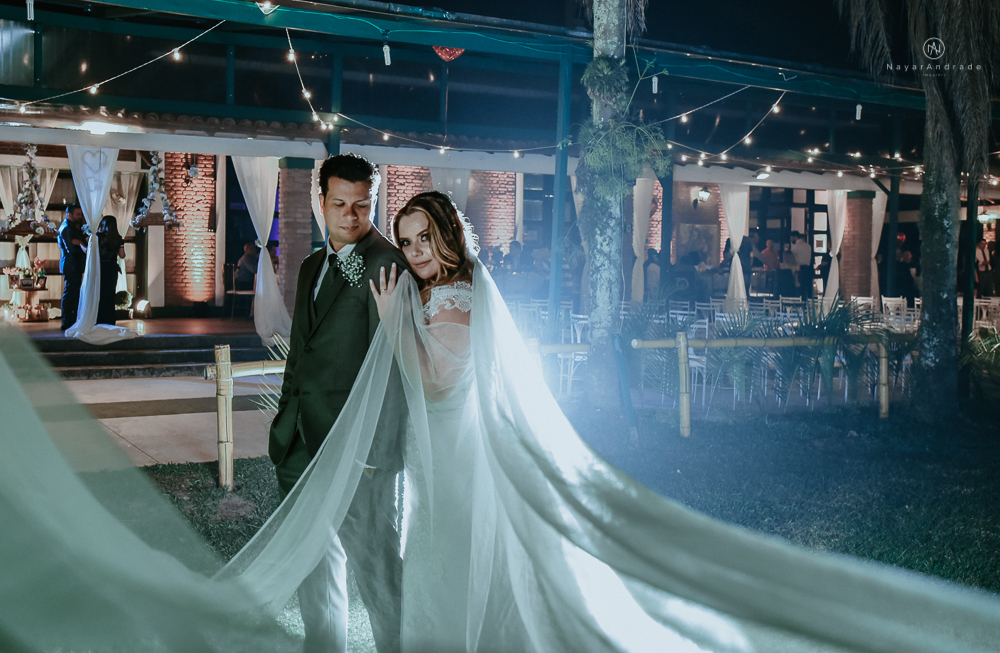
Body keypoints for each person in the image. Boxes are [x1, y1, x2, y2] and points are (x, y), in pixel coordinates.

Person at [2, 192, 1000, 652]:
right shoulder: (436, 291)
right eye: (407, 239)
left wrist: (397, 331)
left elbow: (441, 386)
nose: (416, 250)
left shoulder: (460, 299)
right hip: (441, 456)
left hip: (464, 452)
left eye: (424, 237)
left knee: (456, 552)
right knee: (445, 550)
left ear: (449, 239)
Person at [268, 153, 409, 653]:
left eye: (362, 205)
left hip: (359, 454)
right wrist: (285, 420)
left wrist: (376, 453)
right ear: (320, 202)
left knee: (378, 574)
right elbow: (300, 350)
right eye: (341, 204)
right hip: (301, 444)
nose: (351, 216)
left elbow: (393, 371)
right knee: (313, 564)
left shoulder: (387, 263)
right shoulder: (309, 265)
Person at [57, 203, 87, 330]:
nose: (80, 217)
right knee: (70, 294)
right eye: (78, 214)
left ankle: (71, 319)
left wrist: (81, 243)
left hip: (74, 265)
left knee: (73, 293)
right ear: (70, 215)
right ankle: (67, 321)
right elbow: (72, 250)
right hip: (71, 265)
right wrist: (83, 245)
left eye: (81, 214)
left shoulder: (73, 227)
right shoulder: (67, 229)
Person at [95, 216, 125, 326]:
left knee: (100, 293)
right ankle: (110, 319)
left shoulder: (98, 237)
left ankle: (100, 318)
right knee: (110, 294)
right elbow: (122, 255)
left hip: (101, 268)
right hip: (112, 268)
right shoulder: (118, 238)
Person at [790, 231, 812, 299]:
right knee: (807, 288)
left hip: (800, 269)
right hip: (808, 268)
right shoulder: (808, 246)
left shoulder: (795, 247)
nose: (790, 240)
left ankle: (801, 303)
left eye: (791, 238)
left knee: (800, 288)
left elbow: (791, 258)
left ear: (795, 237)